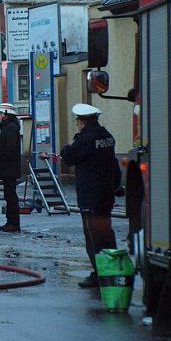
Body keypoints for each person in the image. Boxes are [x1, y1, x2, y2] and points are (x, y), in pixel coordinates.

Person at [51, 103, 121, 288]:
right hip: (106, 193)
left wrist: (67, 146)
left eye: (77, 121)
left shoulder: (84, 140)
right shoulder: (107, 137)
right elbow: (113, 164)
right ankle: (112, 270)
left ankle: (99, 275)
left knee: (93, 236)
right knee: (107, 233)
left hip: (90, 194)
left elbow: (69, 156)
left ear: (82, 122)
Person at [0, 103, 23, 233]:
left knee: (10, 196)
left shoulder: (10, 128)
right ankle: (11, 222)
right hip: (9, 168)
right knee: (9, 195)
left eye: (0, 114)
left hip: (9, 169)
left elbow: (10, 148)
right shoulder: (9, 127)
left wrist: (1, 157)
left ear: (6, 115)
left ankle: (13, 223)